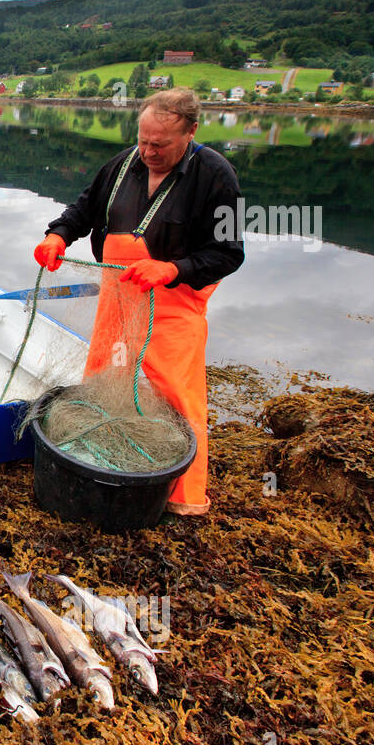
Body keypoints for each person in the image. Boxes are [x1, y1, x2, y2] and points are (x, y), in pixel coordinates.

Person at [34, 88, 243, 516]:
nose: (148, 151)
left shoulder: (217, 176)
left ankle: (183, 497)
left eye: (160, 144)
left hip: (173, 301)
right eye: (143, 140)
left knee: (177, 392)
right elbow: (84, 208)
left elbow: (229, 253)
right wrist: (57, 234)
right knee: (103, 375)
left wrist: (172, 269)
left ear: (191, 132)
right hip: (118, 294)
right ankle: (96, 463)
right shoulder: (122, 164)